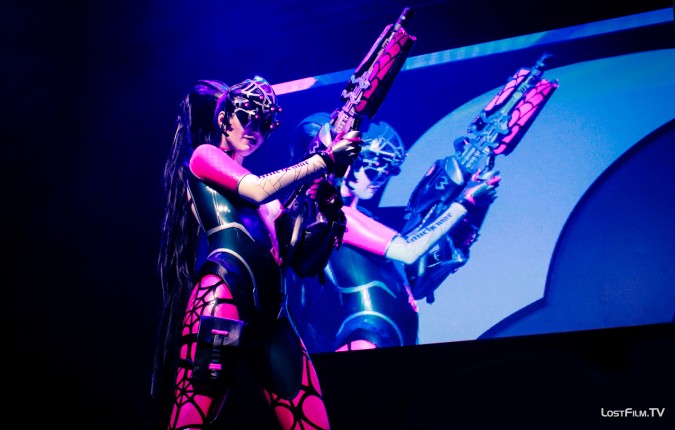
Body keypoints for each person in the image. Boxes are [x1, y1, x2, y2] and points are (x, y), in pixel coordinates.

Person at [149, 78, 362, 429]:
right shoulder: (205, 157)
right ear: (223, 119)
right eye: (247, 117)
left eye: (263, 124)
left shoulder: (265, 198)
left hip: (273, 316)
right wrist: (323, 160)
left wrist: (325, 207)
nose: (254, 130)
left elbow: (298, 257)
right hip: (224, 299)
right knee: (192, 420)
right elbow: (258, 189)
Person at [285, 112, 500, 353]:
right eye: (372, 170)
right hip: (362, 339)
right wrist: (464, 204)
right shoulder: (334, 216)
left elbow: (415, 286)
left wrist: (466, 221)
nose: (378, 179)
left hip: (393, 337)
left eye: (386, 173)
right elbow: (408, 250)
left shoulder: (365, 220)